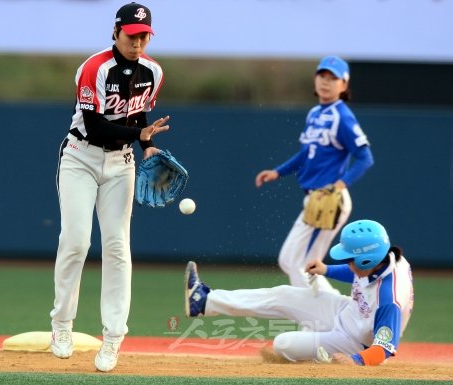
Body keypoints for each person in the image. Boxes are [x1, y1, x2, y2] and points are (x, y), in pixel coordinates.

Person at [49, 2, 169, 372]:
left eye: (144, 36)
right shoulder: (94, 68)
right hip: (80, 158)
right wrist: (140, 134)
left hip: (122, 164)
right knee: (77, 241)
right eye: (132, 36)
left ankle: (113, 337)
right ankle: (62, 324)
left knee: (117, 247)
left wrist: (147, 145)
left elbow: (139, 113)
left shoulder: (153, 71)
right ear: (116, 33)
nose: (138, 42)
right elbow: (95, 124)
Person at [185, 219, 414, 366]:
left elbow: (383, 349)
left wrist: (354, 361)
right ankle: (204, 301)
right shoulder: (383, 259)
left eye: (349, 259)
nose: (346, 262)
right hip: (346, 310)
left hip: (355, 343)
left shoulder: (389, 300)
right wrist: (326, 270)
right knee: (283, 294)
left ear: (367, 259)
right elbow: (359, 274)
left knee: (283, 344)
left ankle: (318, 362)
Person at [255, 56, 374, 293]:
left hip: (329, 199)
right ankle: (333, 317)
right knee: (304, 265)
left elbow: (365, 157)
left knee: (294, 262)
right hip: (316, 199)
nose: (326, 82)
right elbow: (305, 154)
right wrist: (278, 172)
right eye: (322, 75)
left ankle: (330, 317)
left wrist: (340, 186)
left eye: (333, 78)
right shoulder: (314, 114)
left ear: (344, 85)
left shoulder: (342, 116)